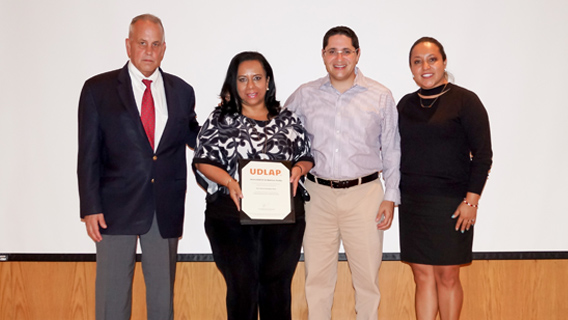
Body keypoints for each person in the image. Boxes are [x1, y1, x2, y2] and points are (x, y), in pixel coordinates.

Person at [77, 14, 200, 320]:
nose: (149, 51)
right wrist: (90, 206)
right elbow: (88, 154)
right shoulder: (97, 89)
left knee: (162, 301)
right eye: (142, 43)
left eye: (155, 44)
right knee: (112, 298)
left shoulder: (181, 91)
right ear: (128, 46)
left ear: (164, 48)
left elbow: (197, 137)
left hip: (165, 206)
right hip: (113, 208)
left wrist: (234, 126)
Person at [284, 26, 401, 320]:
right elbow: (278, 133)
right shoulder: (305, 94)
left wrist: (391, 196)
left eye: (346, 51)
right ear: (323, 55)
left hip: (365, 196)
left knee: (367, 283)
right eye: (332, 51)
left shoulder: (380, 95)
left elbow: (392, 150)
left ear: (357, 54)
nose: (339, 57)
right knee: (317, 282)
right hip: (317, 197)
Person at [193, 51, 314, 320]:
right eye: (243, 79)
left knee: (277, 290)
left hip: (282, 220)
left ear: (268, 81)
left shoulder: (288, 119)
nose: (251, 86)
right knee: (242, 289)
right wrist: (229, 181)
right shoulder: (220, 120)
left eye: (257, 78)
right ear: (233, 84)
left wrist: (298, 168)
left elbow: (306, 156)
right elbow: (203, 161)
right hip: (230, 218)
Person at [397, 37, 492, 320]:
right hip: (413, 203)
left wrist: (471, 202)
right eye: (417, 61)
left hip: (452, 204)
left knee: (448, 276)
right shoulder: (405, 105)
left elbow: (484, 156)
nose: (425, 66)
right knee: (422, 276)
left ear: (444, 62)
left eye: (432, 59)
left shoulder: (466, 100)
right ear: (411, 69)